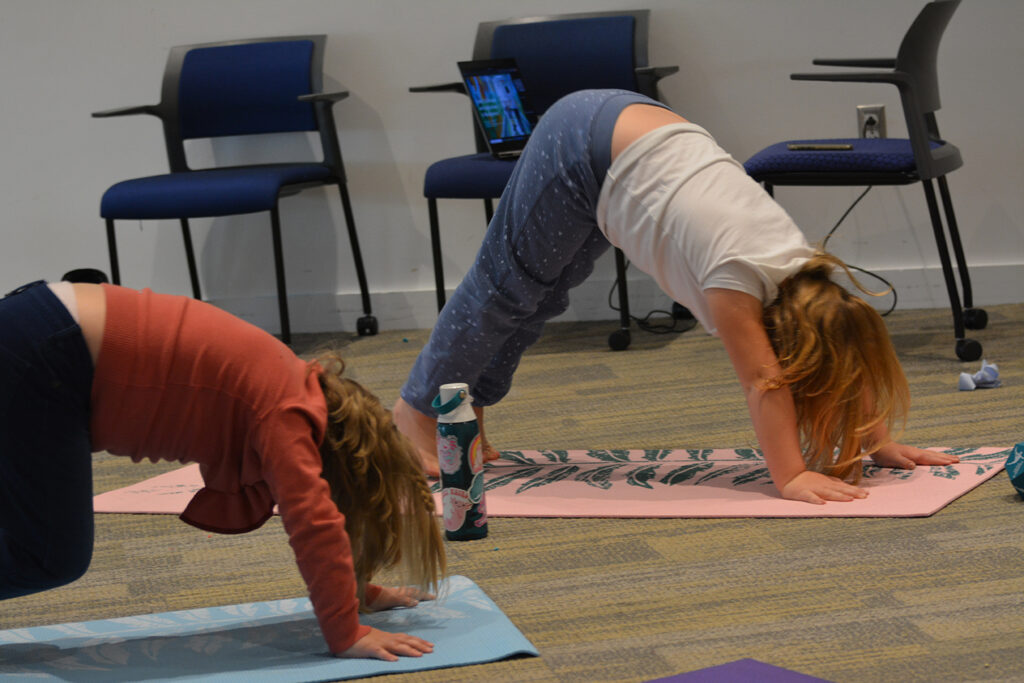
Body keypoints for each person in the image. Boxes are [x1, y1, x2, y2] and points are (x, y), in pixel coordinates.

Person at [393, 88, 959, 501]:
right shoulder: (734, 284)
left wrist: (875, 440)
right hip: (585, 141)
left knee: (542, 297)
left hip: (632, 136)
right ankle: (415, 410)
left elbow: (843, 358)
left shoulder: (803, 277)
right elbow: (764, 380)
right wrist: (789, 476)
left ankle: (467, 408)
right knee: (507, 287)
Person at [0, 280, 446, 661]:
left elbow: (327, 512)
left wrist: (357, 592)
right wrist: (347, 634)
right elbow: (314, 521)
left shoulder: (292, 382)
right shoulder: (286, 412)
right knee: (49, 555)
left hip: (40, 328)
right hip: (47, 349)